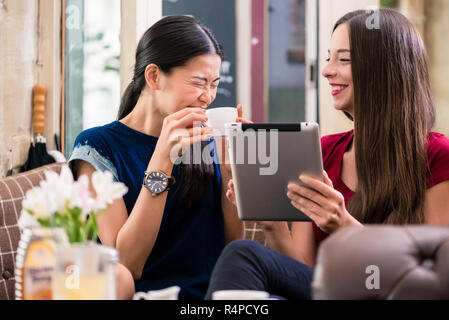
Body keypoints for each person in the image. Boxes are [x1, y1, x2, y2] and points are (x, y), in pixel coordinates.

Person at [204, 8, 449, 300]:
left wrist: (343, 224)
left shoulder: (437, 156)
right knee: (244, 256)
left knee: (244, 255)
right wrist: (271, 219)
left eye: (343, 59)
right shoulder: (322, 151)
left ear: (385, 69)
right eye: (328, 58)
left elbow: (435, 278)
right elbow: (302, 269)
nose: (326, 70)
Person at [68, 15, 245, 300]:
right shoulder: (97, 147)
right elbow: (126, 265)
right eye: (200, 82)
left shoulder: (206, 142)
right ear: (153, 76)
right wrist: (163, 158)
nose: (208, 97)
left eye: (214, 84)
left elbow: (231, 247)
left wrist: (230, 172)